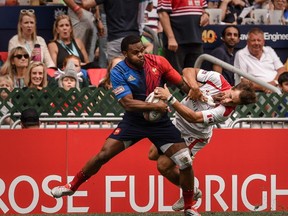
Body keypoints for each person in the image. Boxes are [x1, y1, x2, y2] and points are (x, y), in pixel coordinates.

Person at [50, 35, 201, 216]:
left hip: (160, 122)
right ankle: (71, 186)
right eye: (135, 52)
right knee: (103, 154)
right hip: (134, 121)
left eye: (142, 51)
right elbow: (128, 103)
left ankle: (189, 206)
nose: (141, 55)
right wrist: (157, 105)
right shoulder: (118, 71)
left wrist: (196, 91)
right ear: (125, 53)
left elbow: (182, 85)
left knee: (185, 160)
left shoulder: (159, 62)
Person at [149, 67, 257, 211]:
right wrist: (195, 87)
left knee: (163, 166)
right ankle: (191, 188)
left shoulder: (224, 112)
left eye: (232, 101)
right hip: (177, 123)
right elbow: (188, 70)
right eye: (230, 95)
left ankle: (189, 191)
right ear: (232, 87)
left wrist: (170, 98)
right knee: (152, 155)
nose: (227, 99)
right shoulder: (217, 79)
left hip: (192, 136)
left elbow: (193, 118)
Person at [157, 0, 209, 74]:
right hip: (177, 41)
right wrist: (171, 38)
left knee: (194, 77)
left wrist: (206, 15)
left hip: (196, 39)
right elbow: (162, 13)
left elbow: (203, 10)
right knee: (175, 76)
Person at [234, 27, 286, 93]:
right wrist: (265, 87)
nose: (256, 43)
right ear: (247, 42)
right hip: (256, 93)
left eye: (259, 40)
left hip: (277, 88)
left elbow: (282, 69)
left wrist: (274, 82)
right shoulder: (240, 54)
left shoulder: (269, 50)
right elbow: (243, 80)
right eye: (253, 40)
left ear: (263, 42)